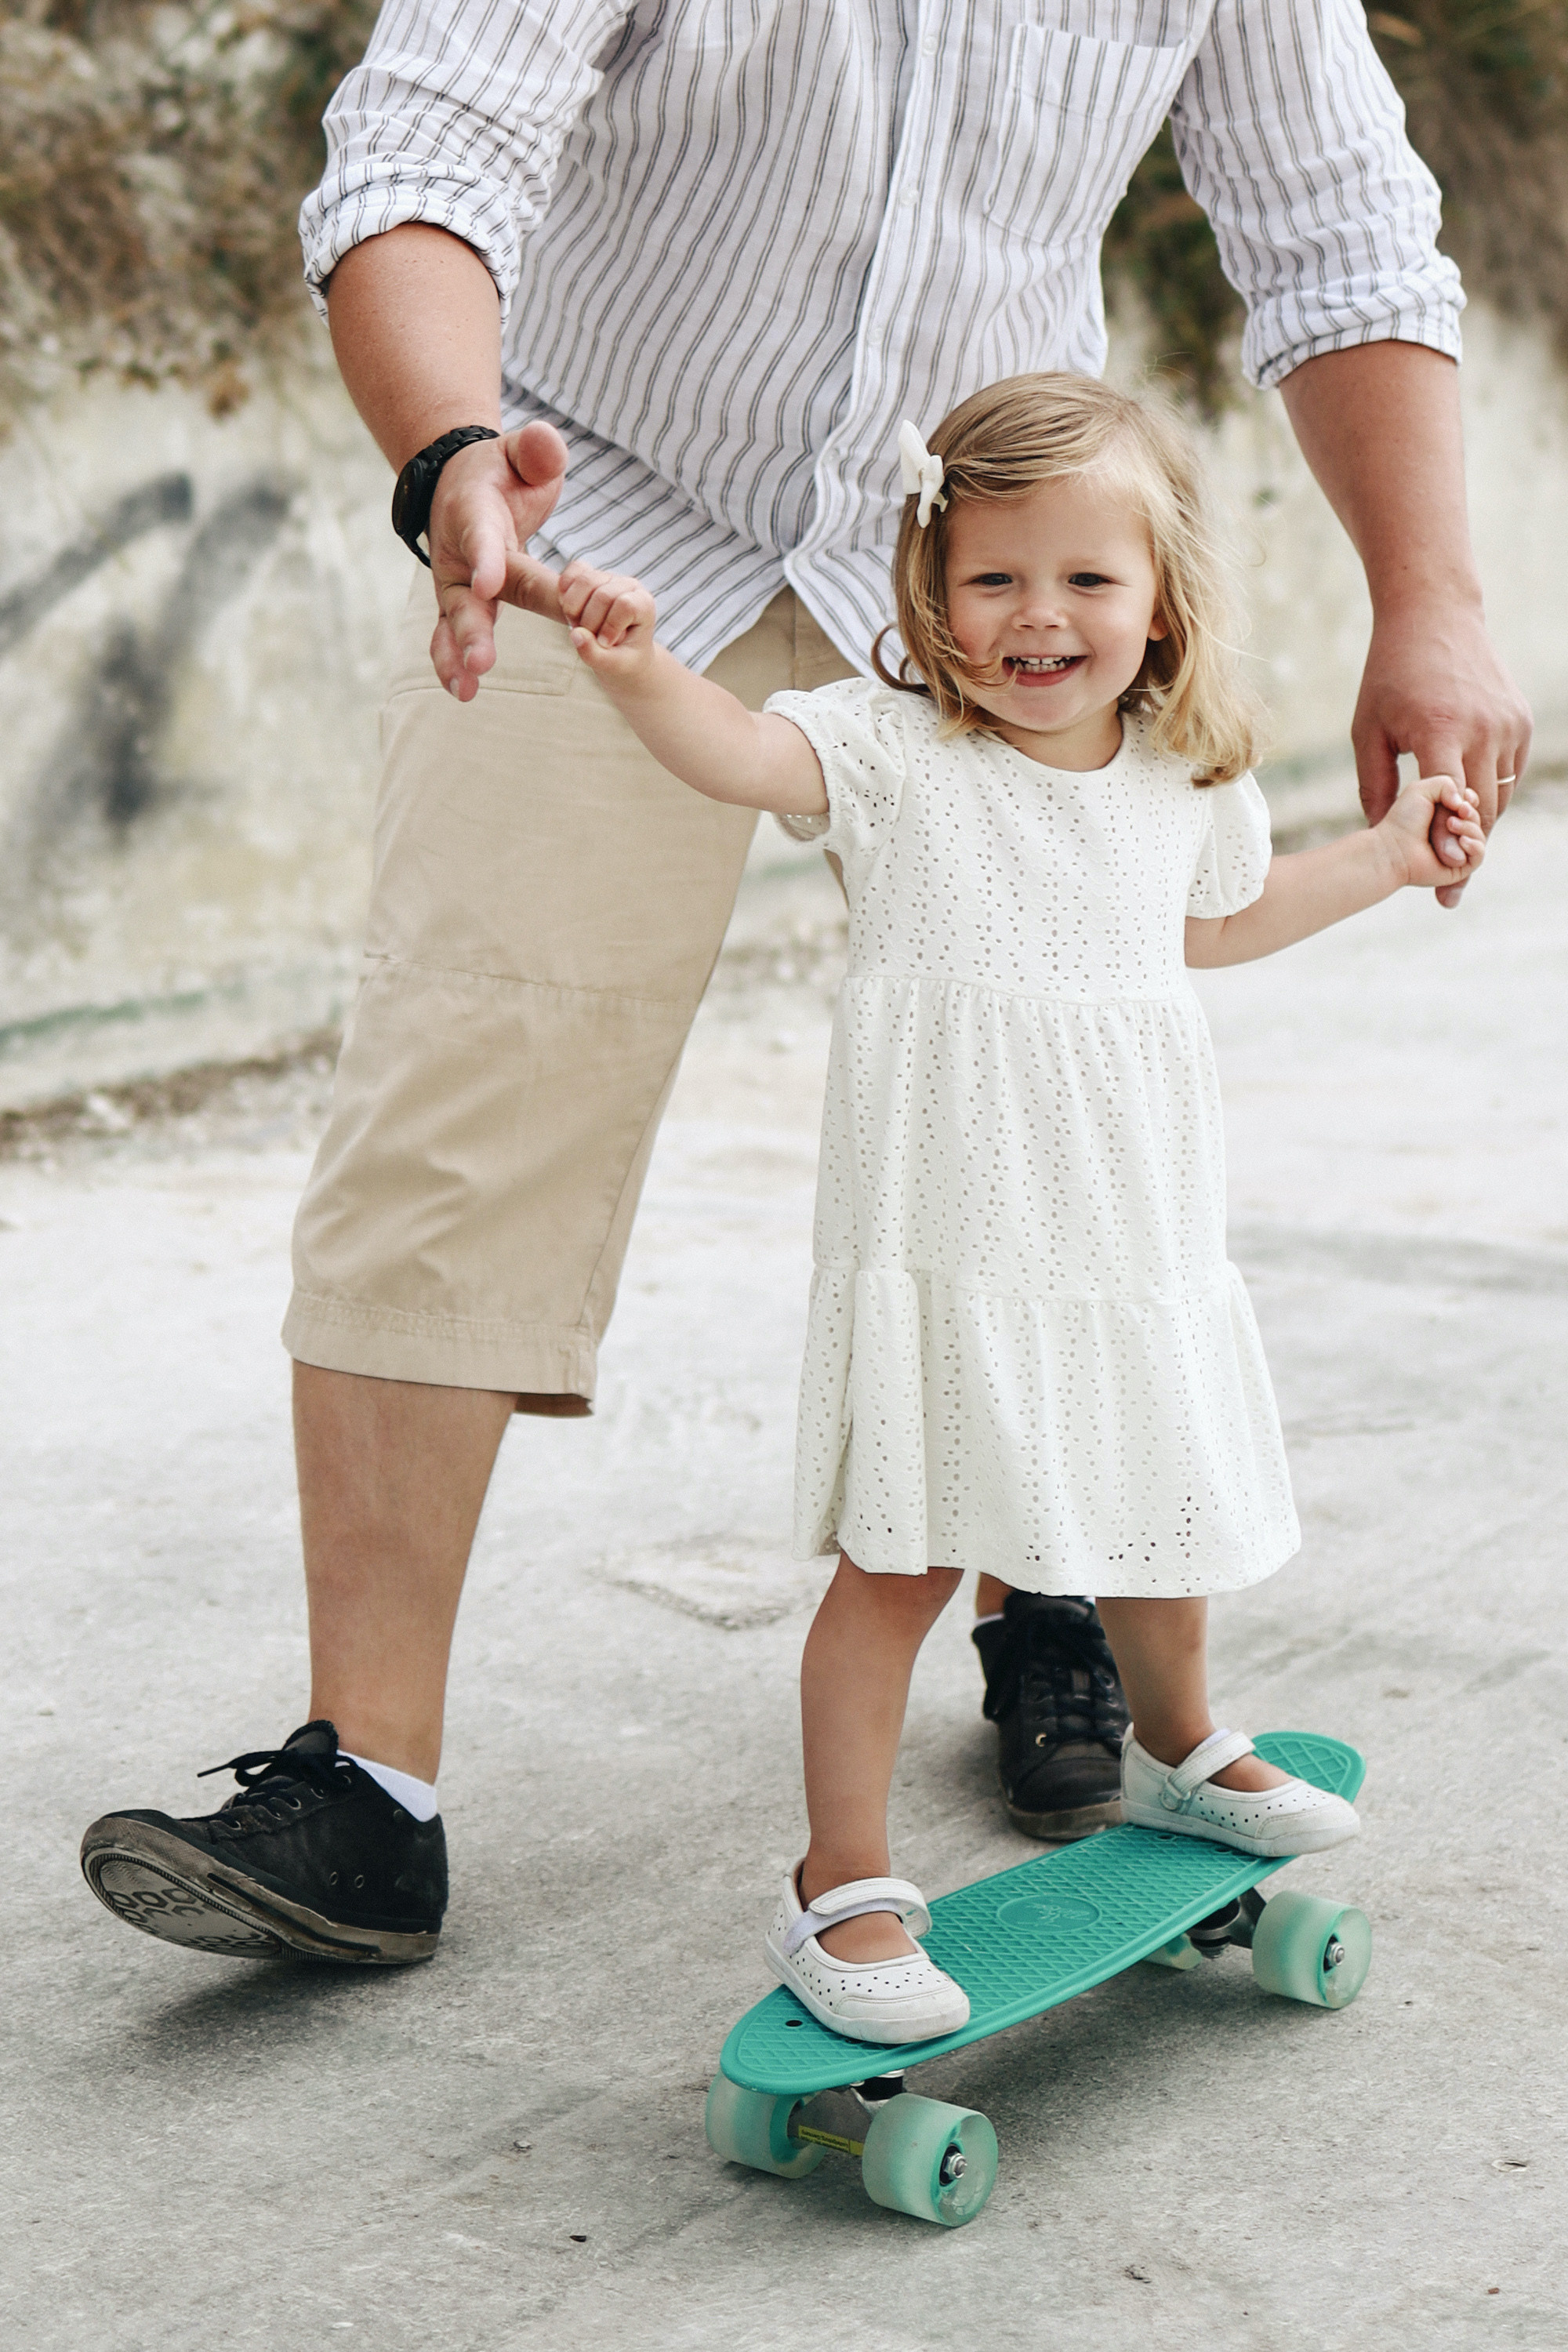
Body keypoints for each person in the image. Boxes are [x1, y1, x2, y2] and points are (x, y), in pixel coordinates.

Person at [79, 0, 1526, 1968]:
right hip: (596, 547)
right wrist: (444, 456)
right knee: (466, 1084)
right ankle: (368, 1787)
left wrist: (1430, 596)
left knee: (1059, 1113)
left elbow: (1336, 225)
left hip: (989, 576)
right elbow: (429, 139)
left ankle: (1057, 1600)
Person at [555, 372, 1483, 2040]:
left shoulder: (1181, 777)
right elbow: (736, 750)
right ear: (931, 591)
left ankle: (1183, 1742)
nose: (1037, 617)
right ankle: (839, 1882)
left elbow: (1216, 927)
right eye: (991, 580)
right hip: (946, 1234)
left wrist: (1396, 852)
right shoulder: (888, 750)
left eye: (1084, 580)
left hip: (1124, 1227)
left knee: (1161, 1503)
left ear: (1157, 596)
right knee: (899, 1560)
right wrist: (639, 674)